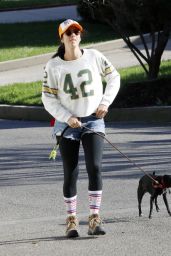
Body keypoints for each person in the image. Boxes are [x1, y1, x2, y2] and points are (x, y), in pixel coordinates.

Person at [42, 19, 120, 238]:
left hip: (93, 120)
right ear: (62, 37)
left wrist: (104, 103)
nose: (73, 35)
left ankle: (94, 218)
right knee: (71, 172)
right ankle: (72, 220)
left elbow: (114, 77)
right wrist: (67, 117)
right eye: (68, 32)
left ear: (80, 35)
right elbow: (48, 98)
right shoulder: (53, 65)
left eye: (76, 31)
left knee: (95, 167)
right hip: (67, 125)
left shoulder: (94, 56)